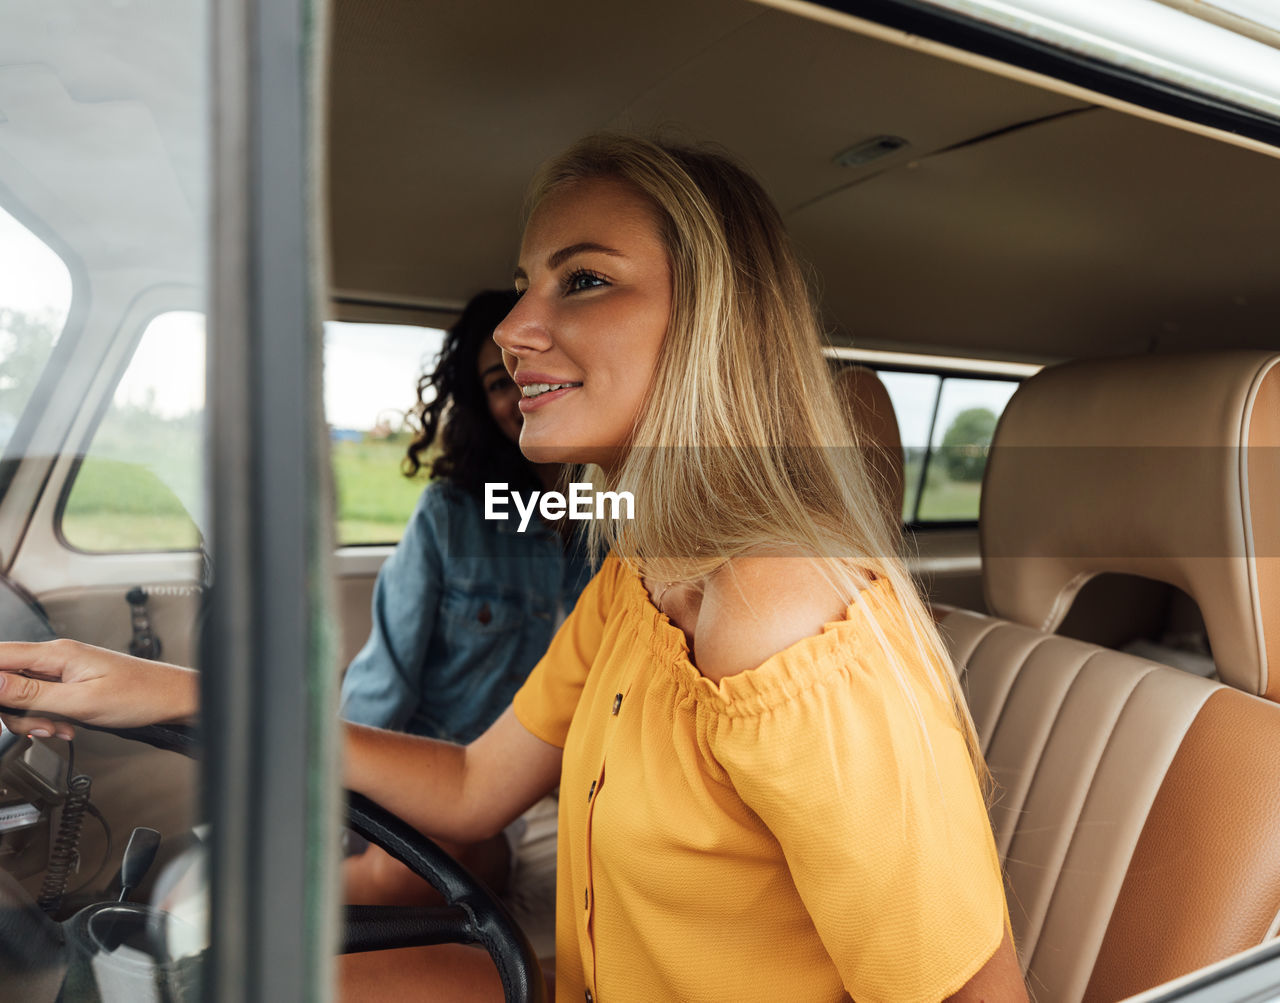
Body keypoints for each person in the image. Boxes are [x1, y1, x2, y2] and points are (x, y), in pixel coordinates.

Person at [0, 134, 1026, 1002]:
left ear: (714, 326)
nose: (513, 328)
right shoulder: (637, 574)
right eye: (530, 283)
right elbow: (472, 783)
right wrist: (150, 687)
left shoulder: (778, 610)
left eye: (583, 281)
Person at [339, 290, 589, 958]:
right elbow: (384, 678)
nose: (522, 388)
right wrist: (348, 814)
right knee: (402, 874)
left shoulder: (625, 521)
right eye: (498, 381)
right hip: (457, 772)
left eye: (534, 367)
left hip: (574, 790)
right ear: (481, 402)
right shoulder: (452, 516)